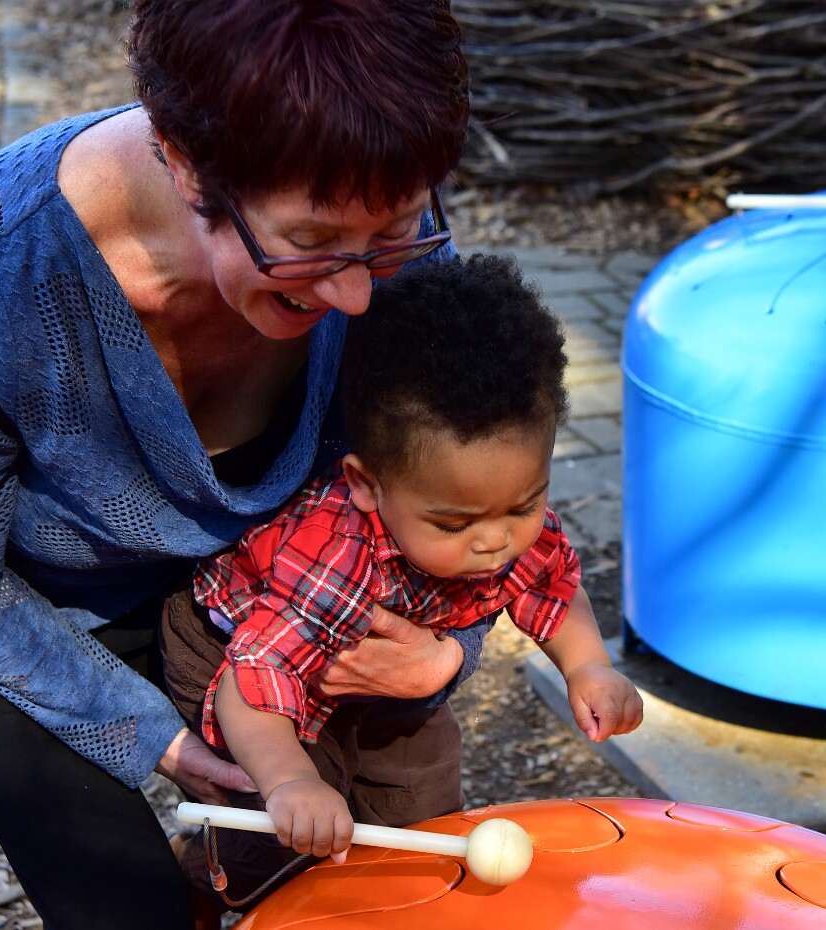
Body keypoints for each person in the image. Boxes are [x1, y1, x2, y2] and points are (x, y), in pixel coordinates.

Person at [0, 2, 483, 928]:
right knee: (114, 890)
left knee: (322, 840)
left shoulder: (369, 216)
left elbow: (460, 482)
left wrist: (446, 650)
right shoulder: (4, 265)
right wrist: (145, 732)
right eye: (310, 245)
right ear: (185, 159)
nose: (358, 292)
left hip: (199, 536)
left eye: (395, 227)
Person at [160, 253, 645, 911]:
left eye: (524, 505)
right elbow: (254, 687)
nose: (495, 539)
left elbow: (552, 590)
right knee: (287, 833)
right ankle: (200, 880)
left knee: (426, 813)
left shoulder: (494, 512)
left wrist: (589, 669)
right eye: (454, 522)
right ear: (367, 486)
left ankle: (399, 904)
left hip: (379, 670)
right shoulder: (335, 556)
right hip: (243, 656)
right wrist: (291, 783)